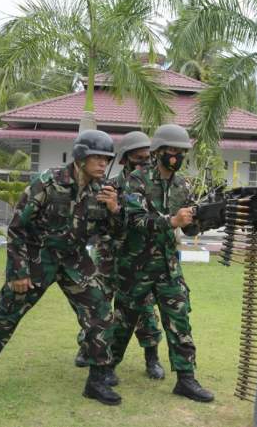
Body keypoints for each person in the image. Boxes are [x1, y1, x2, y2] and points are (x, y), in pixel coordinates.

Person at [0, 130, 122, 406]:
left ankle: (97, 380)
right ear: (81, 157)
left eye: (106, 159)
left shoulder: (103, 191)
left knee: (101, 312)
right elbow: (17, 228)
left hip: (75, 260)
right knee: (6, 312)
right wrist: (18, 272)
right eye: (97, 157)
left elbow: (111, 233)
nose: (103, 163)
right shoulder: (48, 183)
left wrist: (114, 210)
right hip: (38, 257)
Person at [109, 124, 214, 403]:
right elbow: (135, 220)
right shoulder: (137, 179)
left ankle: (186, 379)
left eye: (182, 151)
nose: (177, 156)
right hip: (136, 266)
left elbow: (189, 227)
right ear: (158, 152)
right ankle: (104, 370)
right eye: (172, 150)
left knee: (179, 320)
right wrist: (172, 220)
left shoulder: (183, 185)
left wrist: (206, 218)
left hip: (168, 268)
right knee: (123, 322)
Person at [80, 130, 165, 383]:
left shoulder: (154, 187)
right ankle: (88, 347)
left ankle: (152, 358)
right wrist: (110, 210)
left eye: (148, 158)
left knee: (145, 310)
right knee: (98, 306)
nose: (144, 163)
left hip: (141, 260)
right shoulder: (110, 186)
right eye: (138, 159)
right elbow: (98, 224)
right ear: (125, 159)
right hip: (110, 257)